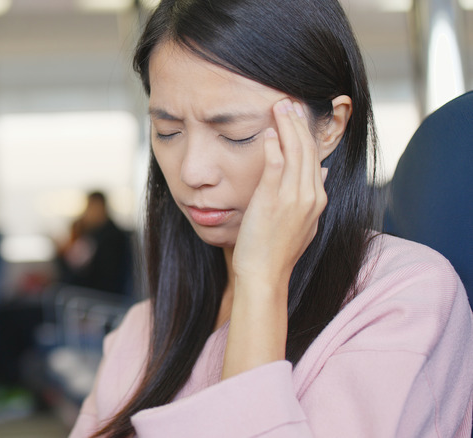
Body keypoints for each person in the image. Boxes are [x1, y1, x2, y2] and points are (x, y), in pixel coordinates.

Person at [70, 1, 473, 437]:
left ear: (329, 128)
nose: (192, 172)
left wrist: (261, 281)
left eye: (235, 134)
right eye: (168, 131)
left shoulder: (405, 296)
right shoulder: (144, 330)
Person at [57, 191, 131, 295]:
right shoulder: (94, 233)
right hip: (93, 290)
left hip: (100, 294)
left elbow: (96, 272)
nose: (88, 213)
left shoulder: (110, 237)